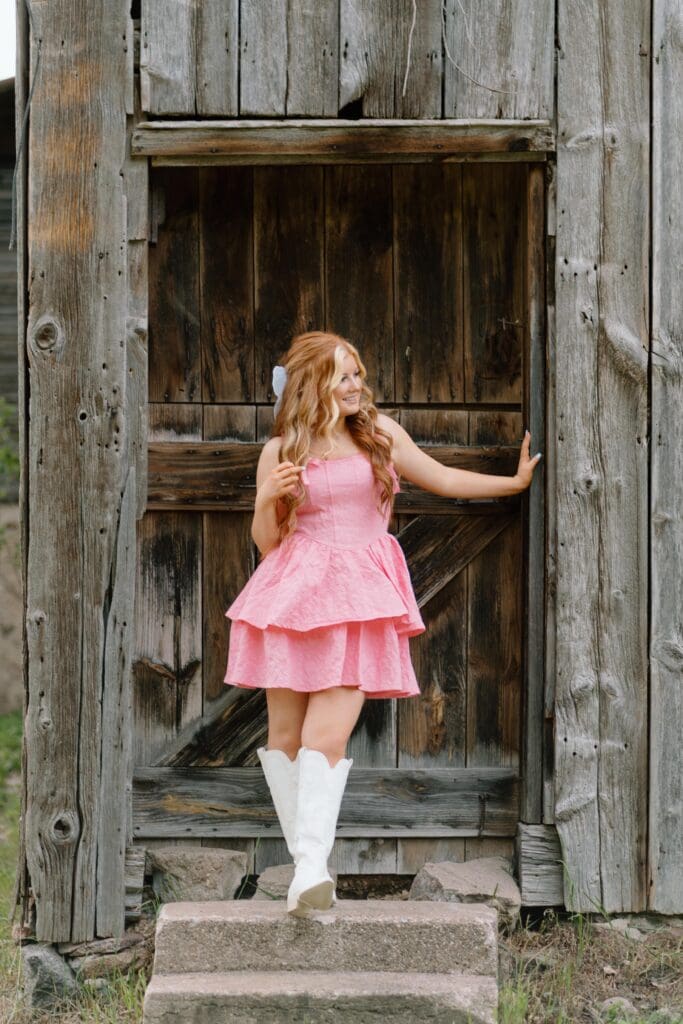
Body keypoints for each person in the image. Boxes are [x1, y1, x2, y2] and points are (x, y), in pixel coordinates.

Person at [223, 330, 542, 917]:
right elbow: (267, 544)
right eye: (342, 375)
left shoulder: (379, 436)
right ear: (312, 384)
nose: (355, 384)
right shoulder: (282, 450)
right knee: (285, 741)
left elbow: (443, 478)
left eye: (357, 373)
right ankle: (310, 873)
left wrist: (513, 483)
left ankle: (309, 871)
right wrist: (268, 494)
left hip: (361, 598)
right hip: (292, 595)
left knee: (326, 737)